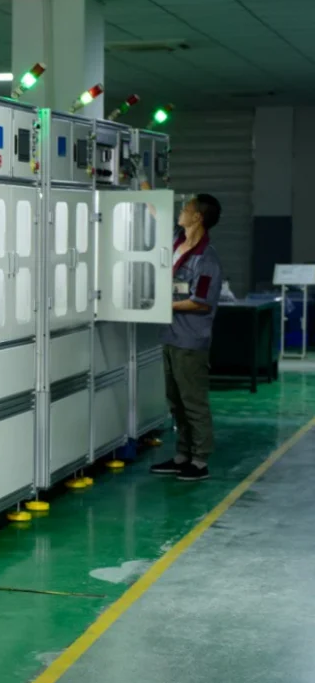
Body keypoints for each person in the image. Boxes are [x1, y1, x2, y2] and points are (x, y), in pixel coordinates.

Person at [149, 194, 223, 482]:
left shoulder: (206, 260)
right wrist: (141, 184)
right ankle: (182, 456)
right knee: (175, 401)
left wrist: (163, 305)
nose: (181, 211)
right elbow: (157, 213)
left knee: (193, 402)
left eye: (186, 208)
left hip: (190, 341)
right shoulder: (177, 241)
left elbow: (201, 303)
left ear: (197, 217)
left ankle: (200, 460)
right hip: (171, 335)